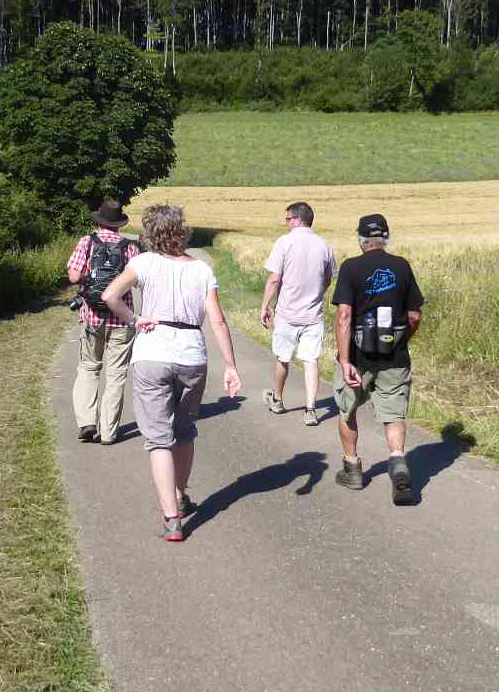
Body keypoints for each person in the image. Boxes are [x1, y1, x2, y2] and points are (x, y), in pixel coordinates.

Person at [101, 205, 242, 542]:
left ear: (149, 233)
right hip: (192, 356)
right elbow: (218, 320)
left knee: (158, 439)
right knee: (185, 431)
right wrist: (231, 365)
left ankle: (171, 518)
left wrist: (135, 320)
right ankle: (180, 495)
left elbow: (110, 295)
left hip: (152, 354)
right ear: (182, 231)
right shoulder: (202, 269)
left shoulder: (143, 263)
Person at [331, 213, 425, 504]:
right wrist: (401, 341)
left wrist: (344, 360)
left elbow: (344, 316)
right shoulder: (401, 266)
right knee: (394, 415)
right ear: (386, 237)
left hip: (357, 357)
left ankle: (352, 469)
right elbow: (414, 315)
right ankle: (398, 464)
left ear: (361, 239)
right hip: (394, 357)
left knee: (347, 410)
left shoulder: (351, 267)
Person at [66, 199, 143, 445]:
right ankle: (109, 432)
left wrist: (91, 280)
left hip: (92, 317)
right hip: (121, 317)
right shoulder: (130, 248)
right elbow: (137, 281)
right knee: (116, 375)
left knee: (89, 367)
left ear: (99, 220)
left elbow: (73, 276)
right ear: (119, 223)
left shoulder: (87, 242)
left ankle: (87, 422)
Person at [259, 201, 337, 426]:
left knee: (283, 357)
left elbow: (274, 278)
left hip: (287, 313)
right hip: (313, 315)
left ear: (296, 219)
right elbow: (328, 278)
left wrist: (265, 306)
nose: (286, 223)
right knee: (311, 360)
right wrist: (316, 294)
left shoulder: (284, 242)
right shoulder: (324, 245)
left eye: (287, 219)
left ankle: (277, 399)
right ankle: (310, 410)